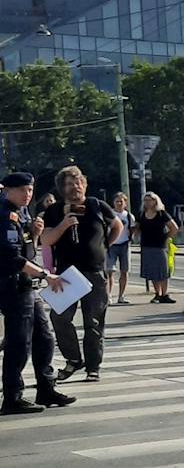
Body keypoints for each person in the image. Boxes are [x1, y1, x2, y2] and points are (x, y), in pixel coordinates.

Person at [40, 164, 123, 383]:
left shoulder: (97, 205)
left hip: (94, 271)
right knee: (59, 318)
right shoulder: (55, 211)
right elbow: (46, 240)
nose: (75, 187)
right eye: (69, 184)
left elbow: (117, 226)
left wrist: (104, 246)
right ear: (62, 188)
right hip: (67, 273)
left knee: (94, 322)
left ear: (84, 184)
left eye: (78, 182)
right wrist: (64, 224)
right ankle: (74, 359)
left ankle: (93, 366)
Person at [2, 171, 74, 414]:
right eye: (22, 190)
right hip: (12, 284)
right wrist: (45, 274)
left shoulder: (22, 212)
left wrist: (34, 233)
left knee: (44, 338)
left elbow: (27, 246)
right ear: (7, 190)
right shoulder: (4, 215)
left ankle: (46, 387)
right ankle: (12, 397)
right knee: (19, 342)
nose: (27, 194)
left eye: (30, 190)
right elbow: (12, 257)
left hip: (26, 284)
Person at [136, 190, 179, 303]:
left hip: (160, 246)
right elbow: (137, 228)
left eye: (150, 200)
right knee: (152, 271)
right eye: (145, 200)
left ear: (155, 201)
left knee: (163, 271)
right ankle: (157, 293)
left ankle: (165, 294)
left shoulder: (162, 214)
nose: (147, 202)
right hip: (146, 245)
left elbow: (174, 227)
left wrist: (167, 238)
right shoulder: (142, 214)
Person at [108, 192, 132, 303]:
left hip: (124, 244)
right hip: (112, 245)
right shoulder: (110, 214)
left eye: (121, 201)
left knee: (124, 271)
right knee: (109, 271)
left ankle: (121, 296)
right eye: (117, 201)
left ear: (125, 203)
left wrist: (131, 237)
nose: (119, 203)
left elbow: (133, 229)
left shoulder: (129, 216)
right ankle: (108, 295)